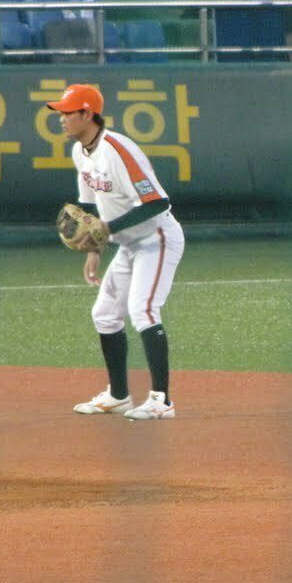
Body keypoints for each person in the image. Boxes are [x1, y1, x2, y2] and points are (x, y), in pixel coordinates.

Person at [46, 84, 185, 421]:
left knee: (143, 310)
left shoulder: (119, 149)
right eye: (60, 112)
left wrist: (107, 230)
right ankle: (119, 395)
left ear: (87, 114)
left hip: (158, 237)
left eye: (68, 112)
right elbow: (87, 208)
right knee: (105, 315)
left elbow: (157, 202)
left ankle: (161, 400)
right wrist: (93, 249)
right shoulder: (81, 152)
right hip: (127, 244)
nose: (61, 119)